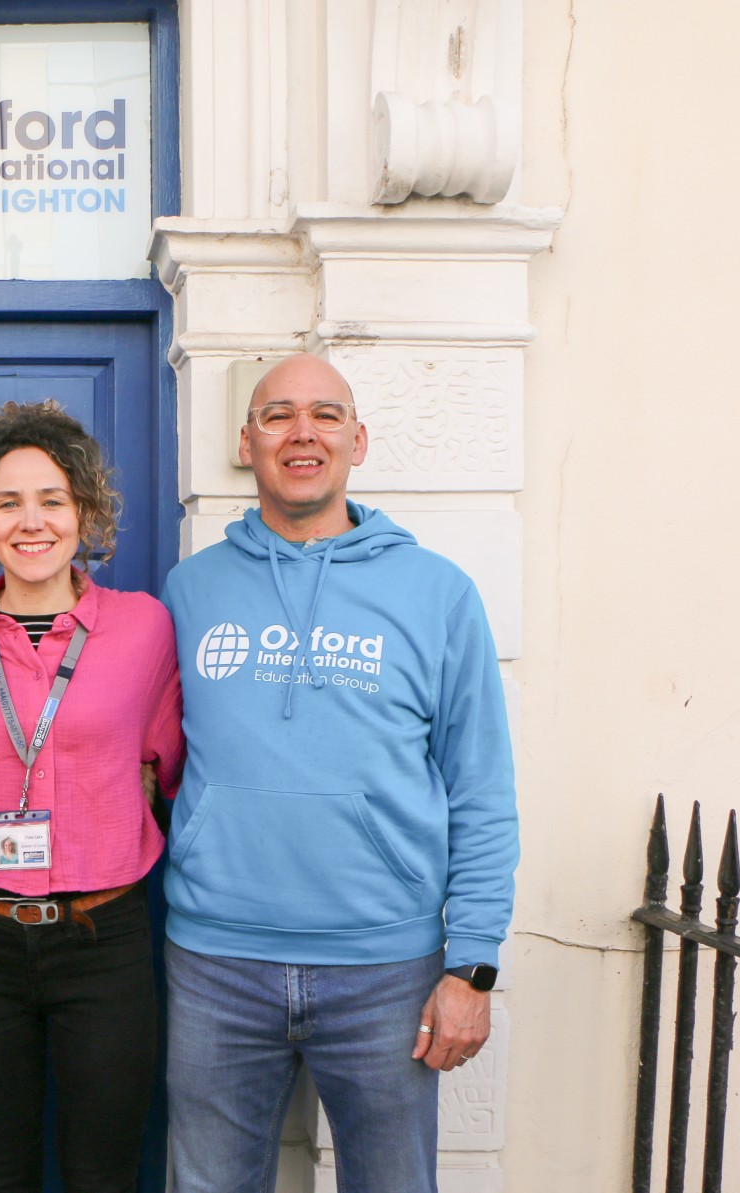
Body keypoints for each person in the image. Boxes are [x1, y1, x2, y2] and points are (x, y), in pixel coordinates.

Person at [160, 354, 520, 1192]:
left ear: (357, 440)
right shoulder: (191, 589)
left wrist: (472, 965)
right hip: (216, 961)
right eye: (277, 414)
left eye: (325, 414)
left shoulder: (438, 593)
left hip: (386, 966)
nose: (302, 432)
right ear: (246, 441)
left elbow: (481, 788)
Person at [0, 401, 184, 1193]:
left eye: (53, 500)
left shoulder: (145, 628)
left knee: (102, 1172)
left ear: (86, 513)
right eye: (8, 502)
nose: (30, 521)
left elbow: (164, 760)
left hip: (102, 939)